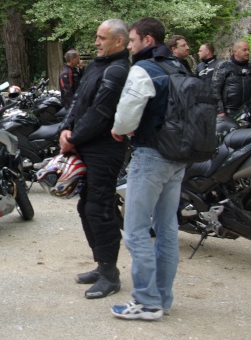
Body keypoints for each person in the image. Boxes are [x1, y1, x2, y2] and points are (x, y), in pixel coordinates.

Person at [109, 18, 187, 321]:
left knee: (136, 231)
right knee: (167, 230)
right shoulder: (180, 66)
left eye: (132, 40)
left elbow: (127, 116)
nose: (129, 46)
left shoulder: (143, 69)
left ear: (148, 40)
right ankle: (162, 299)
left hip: (151, 155)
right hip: (178, 157)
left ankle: (146, 302)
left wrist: (119, 129)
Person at [59, 20, 130, 300]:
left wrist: (73, 139)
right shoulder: (98, 65)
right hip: (85, 144)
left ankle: (110, 274)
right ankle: (102, 265)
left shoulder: (119, 70)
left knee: (99, 208)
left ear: (119, 42)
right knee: (85, 206)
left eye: (102, 38)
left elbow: (101, 112)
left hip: (104, 149)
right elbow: (77, 101)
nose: (97, 42)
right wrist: (65, 128)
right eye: (97, 37)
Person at [211, 41, 251, 117]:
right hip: (229, 112)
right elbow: (214, 90)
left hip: (249, 111)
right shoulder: (224, 66)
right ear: (235, 52)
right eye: (244, 50)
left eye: (248, 50)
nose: (247, 52)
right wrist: (219, 111)